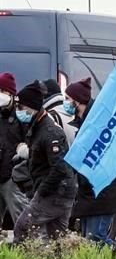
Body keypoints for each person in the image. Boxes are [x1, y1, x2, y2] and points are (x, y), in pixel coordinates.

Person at [64, 78, 116, 250]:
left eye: (68, 99)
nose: (66, 103)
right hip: (90, 192)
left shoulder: (97, 124)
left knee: (96, 239)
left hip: (103, 191)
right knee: (88, 241)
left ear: (77, 101)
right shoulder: (86, 123)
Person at [12, 81, 77, 242]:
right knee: (57, 240)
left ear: (32, 107)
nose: (18, 112)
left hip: (56, 193)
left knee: (23, 227)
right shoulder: (36, 126)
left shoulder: (49, 131)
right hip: (58, 191)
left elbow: (60, 167)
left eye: (21, 108)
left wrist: (41, 191)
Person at [0, 72, 28, 227]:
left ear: (11, 94)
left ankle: (27, 248)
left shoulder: (21, 116)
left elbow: (30, 145)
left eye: (2, 91)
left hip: (12, 177)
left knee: (22, 221)